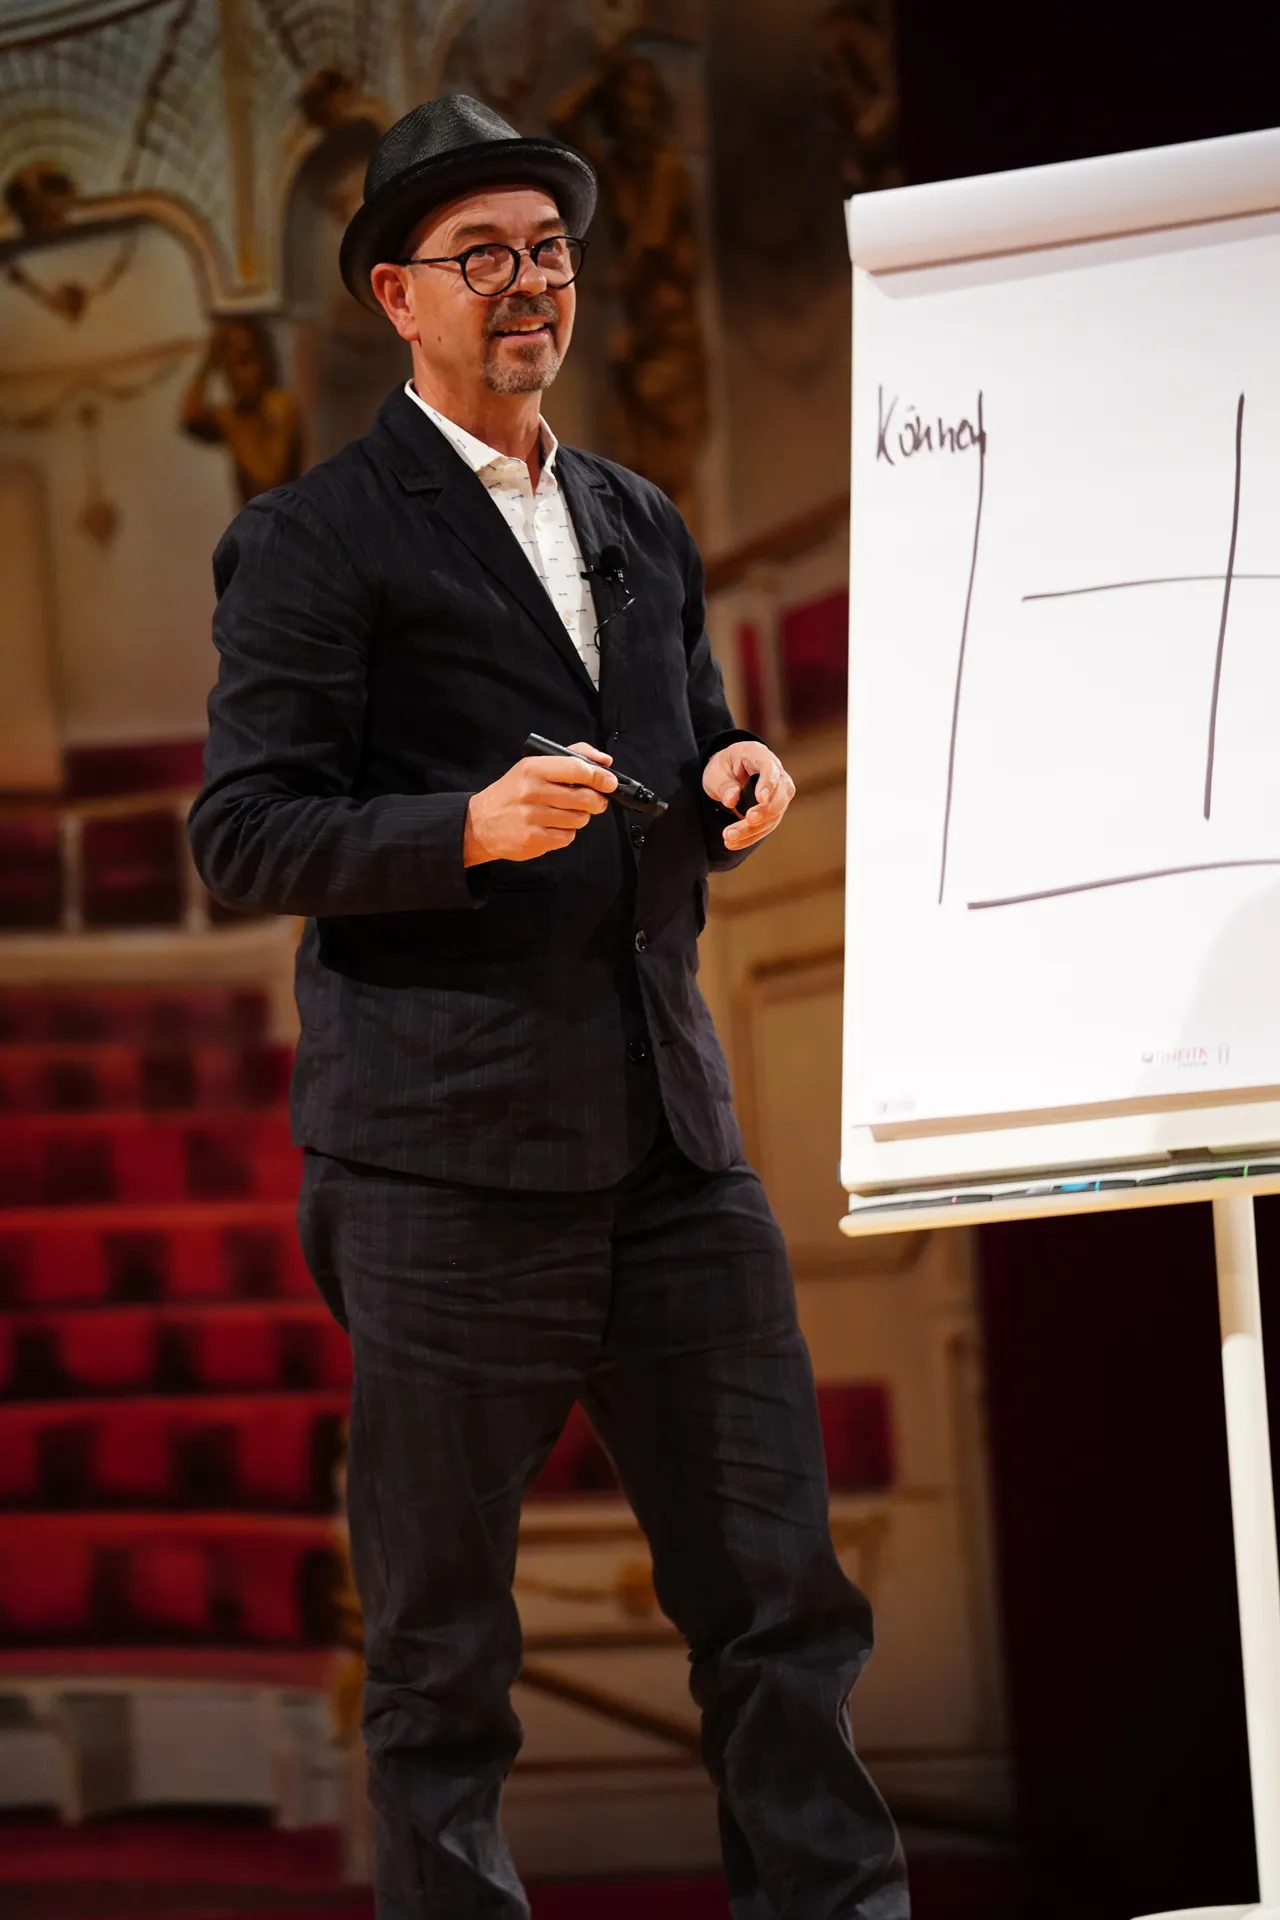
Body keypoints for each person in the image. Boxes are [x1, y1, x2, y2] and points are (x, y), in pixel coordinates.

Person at [188, 92, 906, 1920]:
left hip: (671, 1145)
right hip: (442, 1163)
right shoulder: (317, 536)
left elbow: (690, 716)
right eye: (485, 255)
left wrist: (742, 767)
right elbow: (241, 834)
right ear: (395, 297)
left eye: (551, 251)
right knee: (442, 1663)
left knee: (781, 1608)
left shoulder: (638, 517)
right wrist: (467, 829)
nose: (531, 284)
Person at [179, 316, 304, 503]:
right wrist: (209, 360)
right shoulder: (234, 415)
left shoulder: (279, 406)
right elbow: (190, 417)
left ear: (263, 361)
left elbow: (268, 479)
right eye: (228, 364)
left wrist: (233, 426)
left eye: (244, 360)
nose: (235, 373)